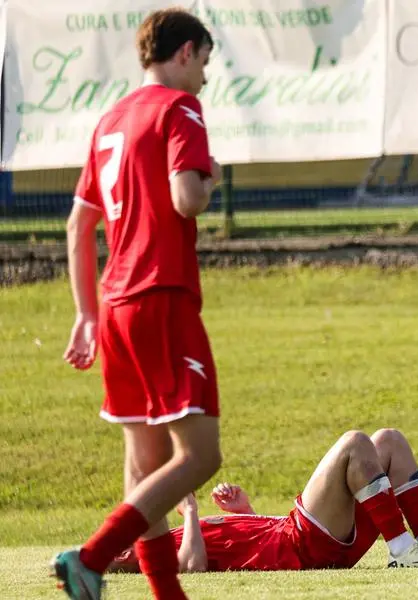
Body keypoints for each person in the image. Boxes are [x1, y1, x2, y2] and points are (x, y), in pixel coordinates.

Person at [55, 8, 225, 599]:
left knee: (145, 461)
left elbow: (79, 225)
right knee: (200, 456)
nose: (204, 77)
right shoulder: (180, 109)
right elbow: (187, 199)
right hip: (163, 298)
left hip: (116, 303)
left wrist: (85, 313)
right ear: (184, 52)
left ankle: (165, 595)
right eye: (204, 61)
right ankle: (94, 555)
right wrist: (210, 178)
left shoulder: (110, 120)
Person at [108, 429, 418, 573]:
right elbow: (191, 566)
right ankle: (402, 551)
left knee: (389, 440)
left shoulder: (168, 537)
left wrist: (245, 513)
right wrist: (190, 511)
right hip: (302, 544)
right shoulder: (153, 556)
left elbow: (254, 549)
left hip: (300, 539)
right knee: (354, 443)